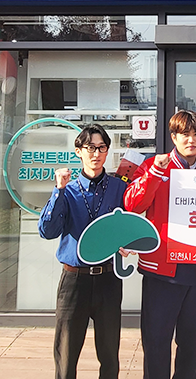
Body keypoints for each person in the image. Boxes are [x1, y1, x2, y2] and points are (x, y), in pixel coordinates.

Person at [124, 110, 196, 379]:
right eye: (185, 134)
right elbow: (133, 205)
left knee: (191, 345)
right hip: (161, 270)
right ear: (174, 137)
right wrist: (155, 173)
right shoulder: (154, 165)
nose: (192, 140)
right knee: (156, 342)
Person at [38, 124, 128, 379]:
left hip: (108, 278)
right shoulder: (67, 189)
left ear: (107, 151)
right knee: (66, 354)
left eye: (101, 148)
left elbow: (127, 227)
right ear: (78, 151)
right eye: (90, 148)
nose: (96, 154)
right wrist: (58, 190)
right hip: (74, 280)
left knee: (109, 354)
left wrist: (127, 242)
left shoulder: (119, 188)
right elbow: (47, 231)